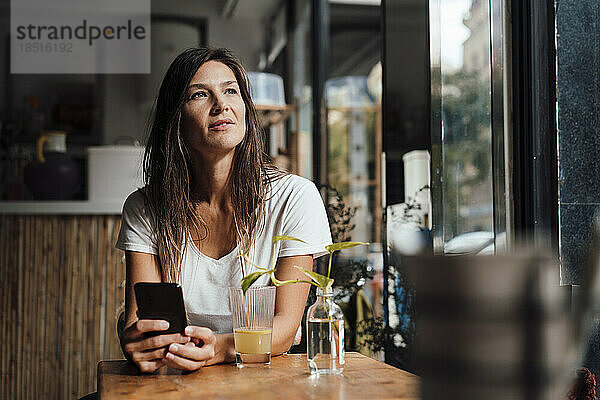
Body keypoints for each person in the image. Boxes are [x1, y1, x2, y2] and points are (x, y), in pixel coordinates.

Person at [115, 47, 332, 373]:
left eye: (231, 90)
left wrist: (218, 348)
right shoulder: (145, 207)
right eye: (199, 95)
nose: (221, 105)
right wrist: (138, 342)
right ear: (174, 119)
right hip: (177, 379)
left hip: (265, 379)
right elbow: (138, 319)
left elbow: (285, 329)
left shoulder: (294, 197)